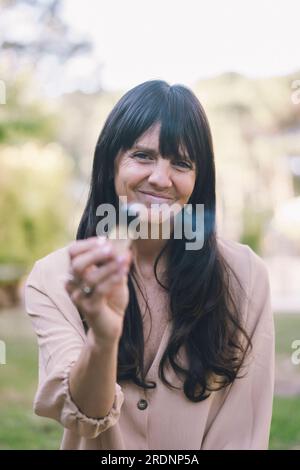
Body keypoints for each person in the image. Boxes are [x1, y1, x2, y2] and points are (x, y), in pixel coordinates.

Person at [24, 79, 275, 450]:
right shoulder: (54, 278)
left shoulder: (246, 276)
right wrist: (103, 337)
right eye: (143, 156)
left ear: (198, 180)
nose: (160, 179)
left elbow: (241, 434)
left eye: (181, 163)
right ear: (110, 162)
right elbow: (84, 415)